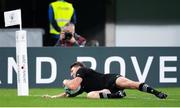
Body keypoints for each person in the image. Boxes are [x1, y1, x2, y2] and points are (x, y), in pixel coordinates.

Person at [43, 62, 167, 99]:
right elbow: (68, 94)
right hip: (106, 90)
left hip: (111, 79)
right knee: (91, 95)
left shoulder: (82, 70)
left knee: (130, 84)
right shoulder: (83, 85)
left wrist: (65, 81)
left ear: (77, 68)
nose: (71, 73)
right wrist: (53, 97)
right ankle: (117, 94)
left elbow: (72, 86)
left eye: (72, 71)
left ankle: (156, 92)